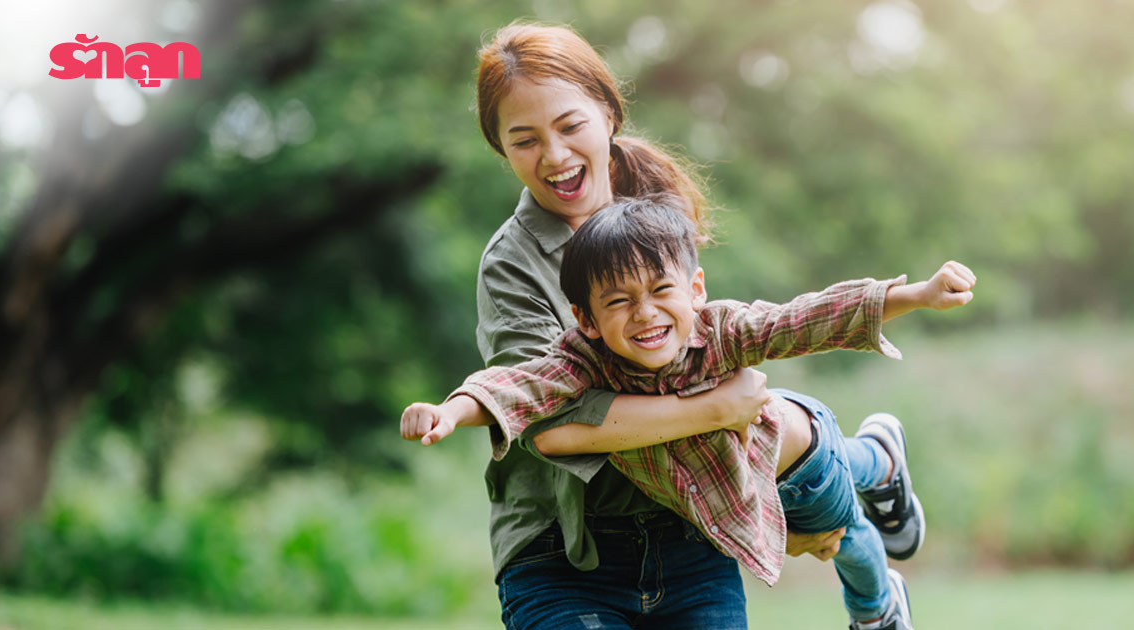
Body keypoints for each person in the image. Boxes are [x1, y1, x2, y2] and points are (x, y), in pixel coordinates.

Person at [433, 21, 922, 629]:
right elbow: (550, 419)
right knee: (767, 418)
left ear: (608, 114)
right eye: (524, 139)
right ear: (500, 148)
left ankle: (871, 480)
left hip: (686, 518)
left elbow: (747, 336)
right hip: (566, 543)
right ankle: (873, 466)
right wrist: (720, 410)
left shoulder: (655, 214)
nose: (554, 156)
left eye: (569, 126)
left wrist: (904, 297)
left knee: (797, 438)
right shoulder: (512, 263)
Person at [402, 198, 977, 630]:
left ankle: (877, 588)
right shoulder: (583, 361)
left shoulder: (723, 330)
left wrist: (917, 294)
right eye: (620, 301)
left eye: (660, 290)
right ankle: (875, 470)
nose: (645, 313)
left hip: (788, 465)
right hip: (719, 505)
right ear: (587, 319)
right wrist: (452, 411)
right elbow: (520, 386)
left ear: (696, 287)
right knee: (838, 530)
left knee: (843, 532)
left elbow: (805, 318)